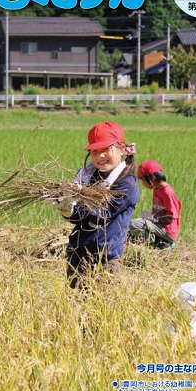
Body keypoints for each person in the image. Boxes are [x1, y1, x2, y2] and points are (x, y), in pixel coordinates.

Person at [58, 121, 139, 288]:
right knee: (75, 305)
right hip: (78, 252)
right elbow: (79, 217)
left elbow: (101, 213)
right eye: (95, 151)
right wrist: (66, 204)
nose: (100, 156)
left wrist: (76, 205)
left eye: (106, 150)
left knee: (102, 308)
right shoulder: (87, 177)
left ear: (122, 149)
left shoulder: (126, 184)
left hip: (105, 257)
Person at [129, 160, 181, 248]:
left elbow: (171, 217)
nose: (143, 184)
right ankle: (156, 240)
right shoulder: (156, 189)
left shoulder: (167, 192)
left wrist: (153, 218)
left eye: (143, 180)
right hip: (159, 224)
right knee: (137, 220)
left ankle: (157, 241)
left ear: (152, 178)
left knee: (134, 224)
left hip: (167, 229)